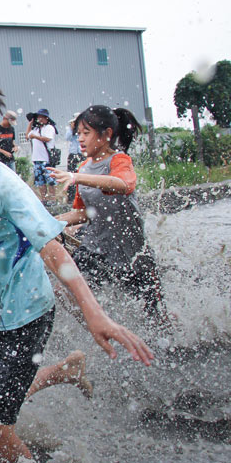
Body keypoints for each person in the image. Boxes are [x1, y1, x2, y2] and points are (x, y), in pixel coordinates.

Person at [0, 84, 153, 463]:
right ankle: (65, 370)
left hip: (28, 313)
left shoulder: (7, 189)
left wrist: (94, 314)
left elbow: (54, 252)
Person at [47, 105, 171, 331]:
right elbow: (82, 213)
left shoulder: (119, 161)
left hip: (132, 254)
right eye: (79, 134)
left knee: (157, 319)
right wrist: (48, 223)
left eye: (87, 133)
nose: (81, 140)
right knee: (63, 291)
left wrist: (76, 177)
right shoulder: (83, 167)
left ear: (106, 135)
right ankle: (102, 328)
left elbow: (122, 185)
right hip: (96, 249)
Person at [26, 108, 58, 201]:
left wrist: (35, 136)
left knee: (51, 181)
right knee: (40, 181)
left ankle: (53, 199)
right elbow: (27, 135)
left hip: (46, 159)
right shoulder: (35, 129)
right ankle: (44, 199)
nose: (39, 119)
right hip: (37, 159)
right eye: (38, 117)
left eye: (41, 117)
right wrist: (30, 123)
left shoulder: (49, 128)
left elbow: (47, 139)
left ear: (46, 118)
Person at [65, 113, 85, 203]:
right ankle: (71, 197)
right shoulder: (70, 129)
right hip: (73, 153)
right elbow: (67, 137)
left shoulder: (85, 128)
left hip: (82, 153)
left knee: (83, 175)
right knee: (71, 174)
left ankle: (82, 195)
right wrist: (72, 129)